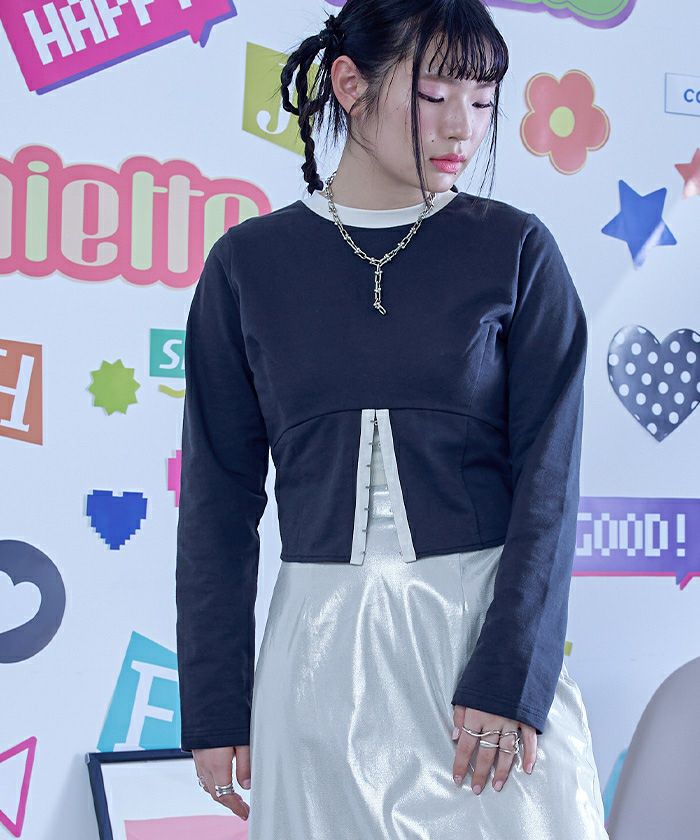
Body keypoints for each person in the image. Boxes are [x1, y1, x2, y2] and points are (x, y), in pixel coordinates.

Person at [175, 1, 610, 836]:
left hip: (481, 664)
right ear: (350, 84)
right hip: (317, 668)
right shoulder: (247, 266)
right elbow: (216, 505)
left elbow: (549, 488)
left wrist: (510, 677)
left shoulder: (516, 250)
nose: (464, 127)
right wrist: (217, 704)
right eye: (435, 94)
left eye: (482, 100)